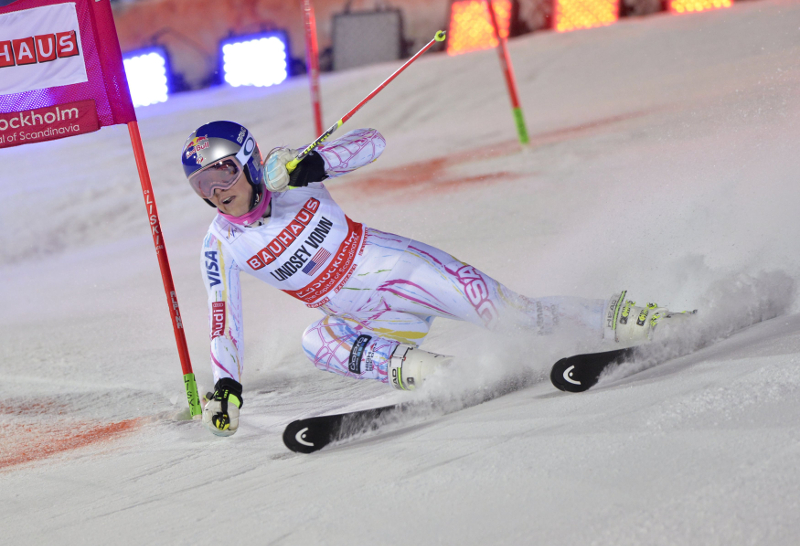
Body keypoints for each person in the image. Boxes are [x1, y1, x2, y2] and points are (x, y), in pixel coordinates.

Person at [182, 121, 684, 436]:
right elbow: (224, 319)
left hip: (404, 270)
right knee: (318, 340)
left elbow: (372, 141)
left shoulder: (291, 175)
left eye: (223, 175)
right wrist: (227, 385)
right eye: (203, 185)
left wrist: (314, 163)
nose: (216, 193)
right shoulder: (221, 240)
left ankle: (641, 322)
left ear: (249, 162)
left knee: (517, 317)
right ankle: (439, 376)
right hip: (367, 316)